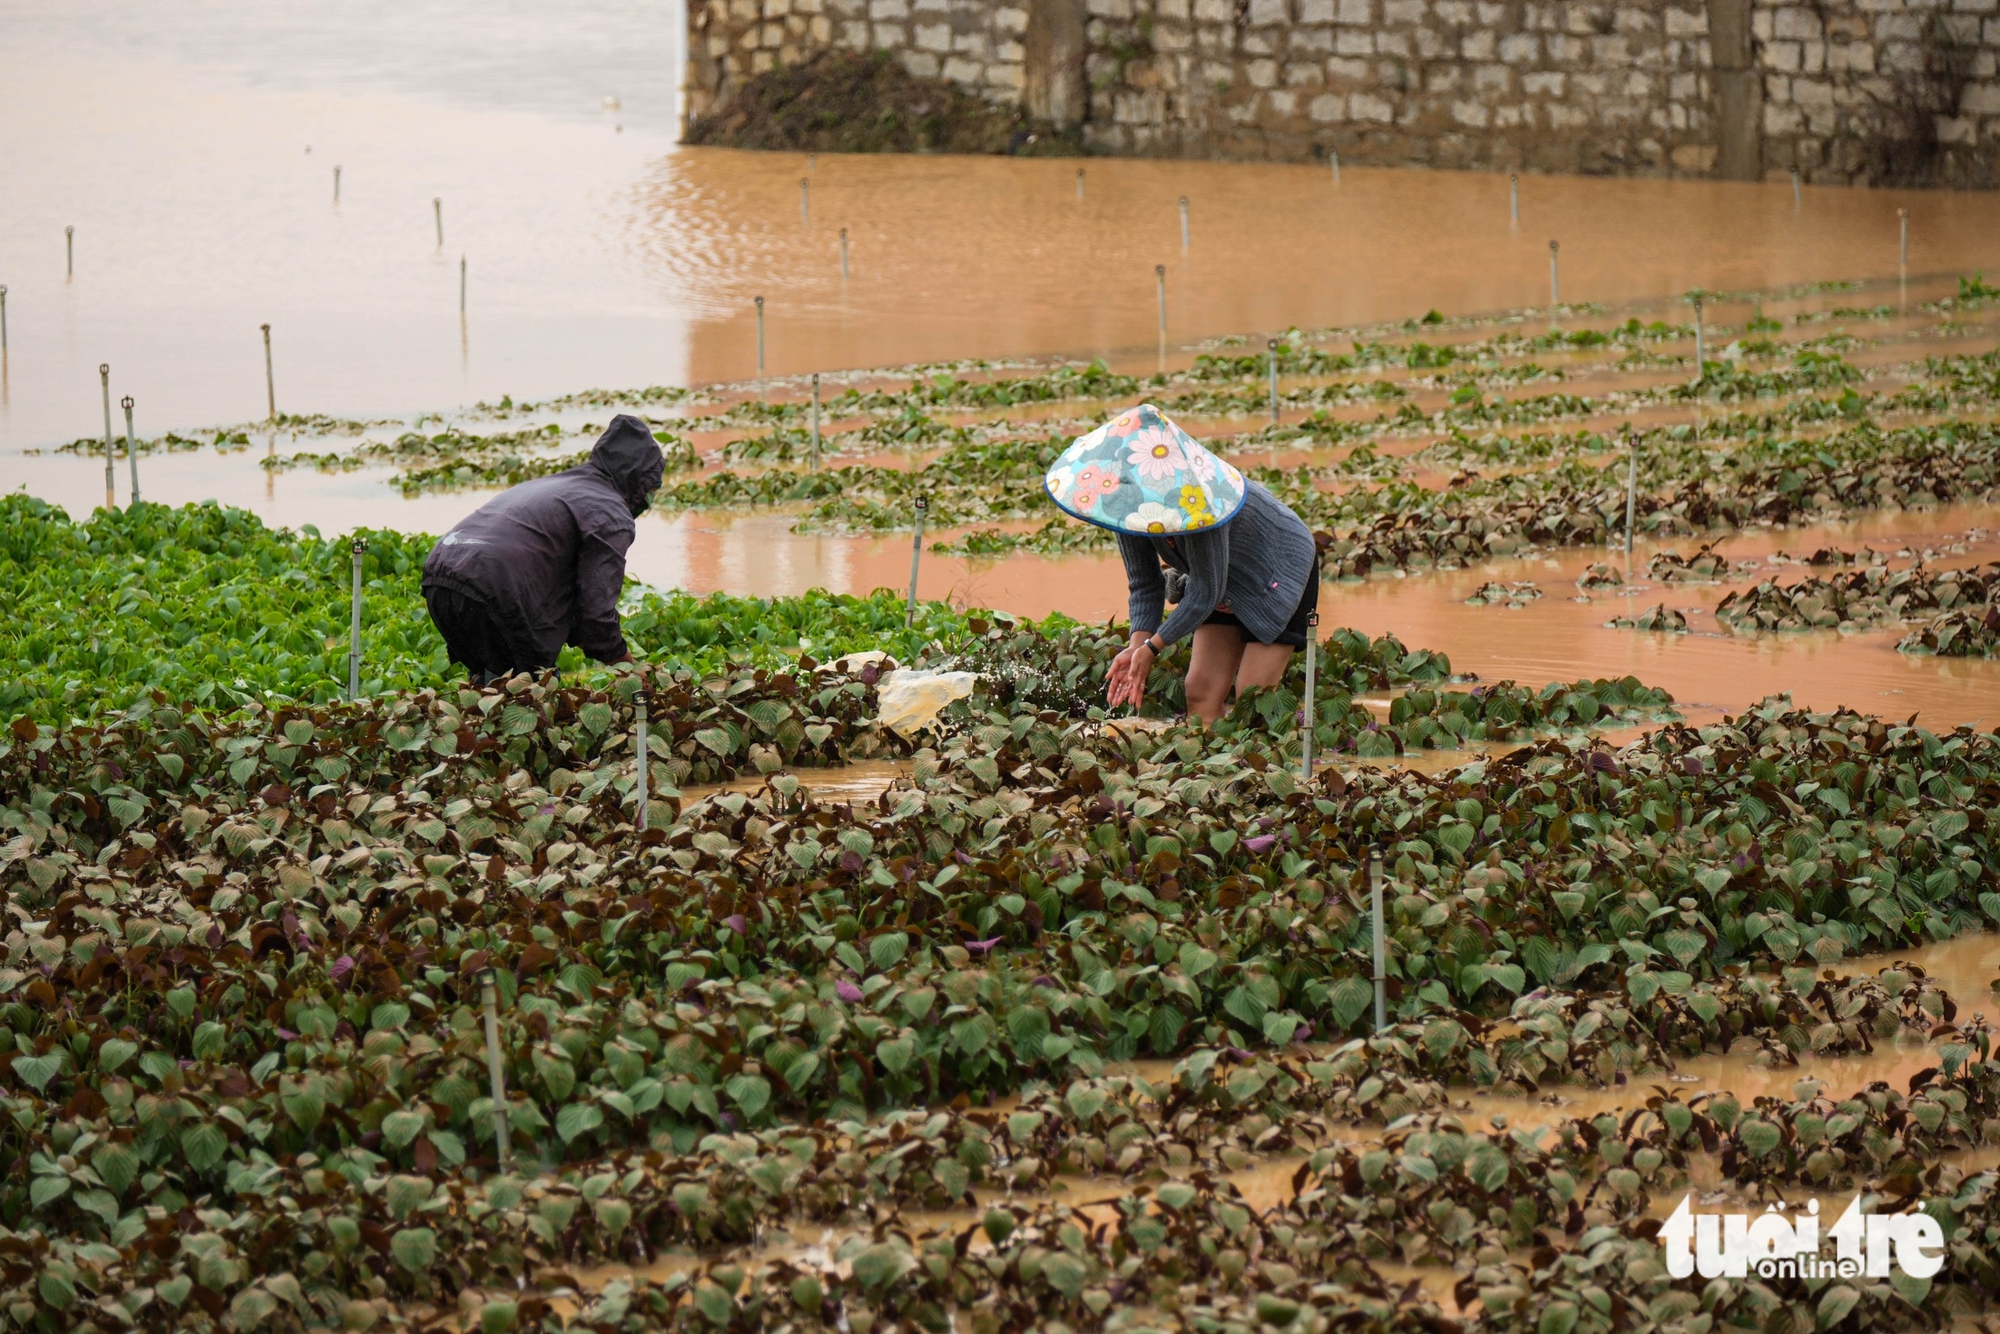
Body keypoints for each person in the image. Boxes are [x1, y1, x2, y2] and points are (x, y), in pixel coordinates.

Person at [1043, 403, 1319, 723]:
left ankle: (1267, 766)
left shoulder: (1202, 504)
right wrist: (1136, 648)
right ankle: (1215, 768)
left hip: (1280, 567)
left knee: (1252, 697)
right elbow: (1145, 584)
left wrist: (1153, 647)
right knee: (1199, 690)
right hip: (1220, 580)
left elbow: (1205, 592)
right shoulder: (1125, 504)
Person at [421, 414, 666, 683]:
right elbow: (595, 615)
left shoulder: (561, 483)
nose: (651, 495)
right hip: (496, 583)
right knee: (533, 694)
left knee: (490, 687)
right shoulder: (611, 512)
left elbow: (572, 604)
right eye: (654, 486)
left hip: (440, 573)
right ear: (640, 482)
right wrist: (628, 666)